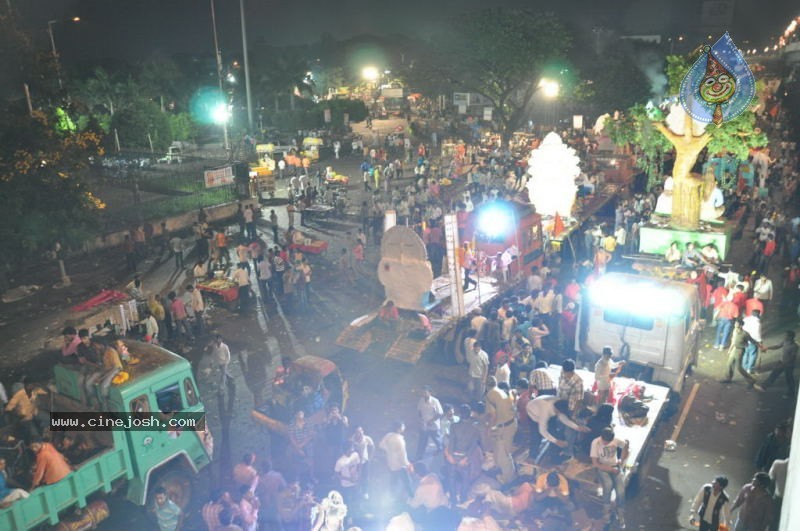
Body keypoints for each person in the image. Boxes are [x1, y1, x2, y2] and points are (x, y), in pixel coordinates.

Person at [526, 396, 588, 463]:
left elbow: (563, 418)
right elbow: (542, 431)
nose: (560, 414)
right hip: (532, 411)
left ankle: (554, 459)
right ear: (557, 410)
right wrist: (556, 441)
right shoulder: (545, 411)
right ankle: (532, 457)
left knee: (554, 434)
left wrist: (577, 427)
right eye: (559, 412)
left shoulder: (558, 403)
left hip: (544, 408)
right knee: (536, 436)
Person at [590, 427, 629, 527]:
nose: (606, 443)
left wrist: (622, 459)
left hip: (615, 466)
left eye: (609, 441)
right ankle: (606, 512)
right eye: (605, 441)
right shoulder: (596, 443)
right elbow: (595, 463)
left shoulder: (616, 440)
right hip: (602, 467)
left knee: (620, 491)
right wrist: (610, 469)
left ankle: (620, 514)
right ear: (601, 437)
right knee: (608, 485)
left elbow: (626, 445)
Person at [484, 376, 517, 484]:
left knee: (504, 455)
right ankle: (504, 473)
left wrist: (489, 429)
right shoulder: (500, 391)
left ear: (486, 385)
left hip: (505, 427)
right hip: (511, 423)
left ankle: (509, 479)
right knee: (501, 451)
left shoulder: (490, 395)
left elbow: (492, 415)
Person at [379, 421, 414, 501]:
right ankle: (411, 496)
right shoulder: (399, 440)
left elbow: (381, 445)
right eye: (403, 426)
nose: (404, 427)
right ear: (399, 429)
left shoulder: (388, 435)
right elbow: (402, 455)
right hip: (400, 465)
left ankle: (392, 496)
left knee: (393, 479)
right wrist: (408, 464)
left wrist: (389, 450)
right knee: (407, 481)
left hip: (390, 462)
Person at [760, 330, 798, 397]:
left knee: (789, 379)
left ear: (790, 337)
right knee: (773, 374)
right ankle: (763, 387)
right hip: (781, 362)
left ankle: (791, 393)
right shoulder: (785, 341)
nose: (784, 336)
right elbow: (777, 346)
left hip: (788, 365)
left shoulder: (794, 346)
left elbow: (792, 357)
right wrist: (768, 348)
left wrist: (785, 363)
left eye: (786, 335)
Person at [416, 386, 444, 460]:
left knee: (437, 440)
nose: (423, 394)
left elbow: (440, 413)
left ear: (429, 392)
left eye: (425, 392)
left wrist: (431, 421)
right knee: (422, 441)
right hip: (424, 425)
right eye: (422, 392)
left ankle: (441, 452)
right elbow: (419, 410)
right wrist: (421, 419)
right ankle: (419, 455)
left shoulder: (435, 401)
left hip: (433, 425)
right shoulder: (421, 400)